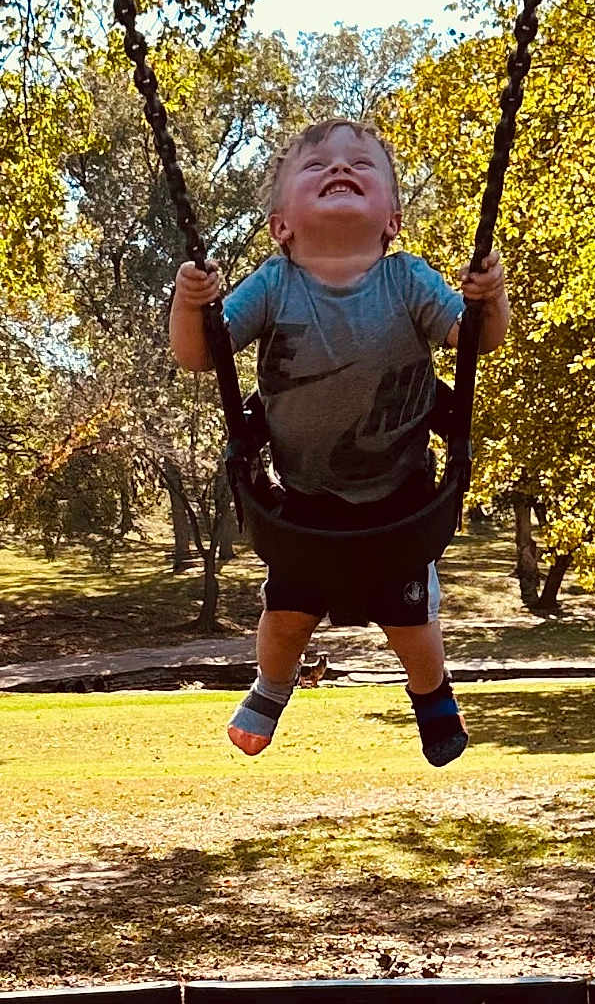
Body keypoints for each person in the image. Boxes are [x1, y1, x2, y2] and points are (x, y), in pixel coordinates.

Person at [169, 117, 509, 766]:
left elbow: (476, 341)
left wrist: (490, 299)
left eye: (360, 163)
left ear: (392, 221)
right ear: (281, 226)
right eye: (317, 164)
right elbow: (200, 356)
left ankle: (432, 693)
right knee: (285, 618)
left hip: (402, 497)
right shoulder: (274, 283)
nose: (339, 168)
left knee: (412, 624)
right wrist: (191, 305)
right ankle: (272, 687)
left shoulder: (407, 279)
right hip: (305, 499)